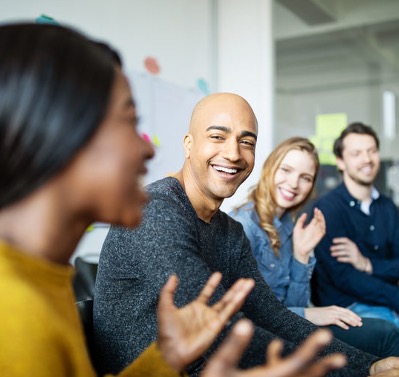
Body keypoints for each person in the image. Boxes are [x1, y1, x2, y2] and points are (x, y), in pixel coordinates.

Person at [0, 22, 340, 377]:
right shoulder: (14, 313)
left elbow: (267, 315)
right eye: (126, 122)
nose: (147, 147)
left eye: (246, 142)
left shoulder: (41, 282)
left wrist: (162, 361)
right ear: (60, 137)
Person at [93, 92, 399, 377]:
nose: (233, 154)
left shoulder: (230, 231)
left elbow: (272, 315)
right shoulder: (157, 209)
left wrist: (369, 366)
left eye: (247, 142)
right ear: (188, 144)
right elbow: (219, 329)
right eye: (217, 136)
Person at [229, 136, 399, 357]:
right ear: (270, 168)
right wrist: (310, 314)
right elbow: (242, 313)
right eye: (286, 170)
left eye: (305, 178)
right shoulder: (243, 226)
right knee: (386, 333)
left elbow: (292, 305)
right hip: (261, 337)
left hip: (289, 329)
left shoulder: (291, 227)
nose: (293, 184)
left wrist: (301, 255)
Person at [311, 122, 399, 328]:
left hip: (389, 305)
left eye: (372, 151)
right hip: (349, 308)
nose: (367, 159)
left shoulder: (388, 208)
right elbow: (345, 277)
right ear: (340, 161)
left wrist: (367, 264)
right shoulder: (328, 209)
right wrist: (396, 296)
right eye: (356, 153)